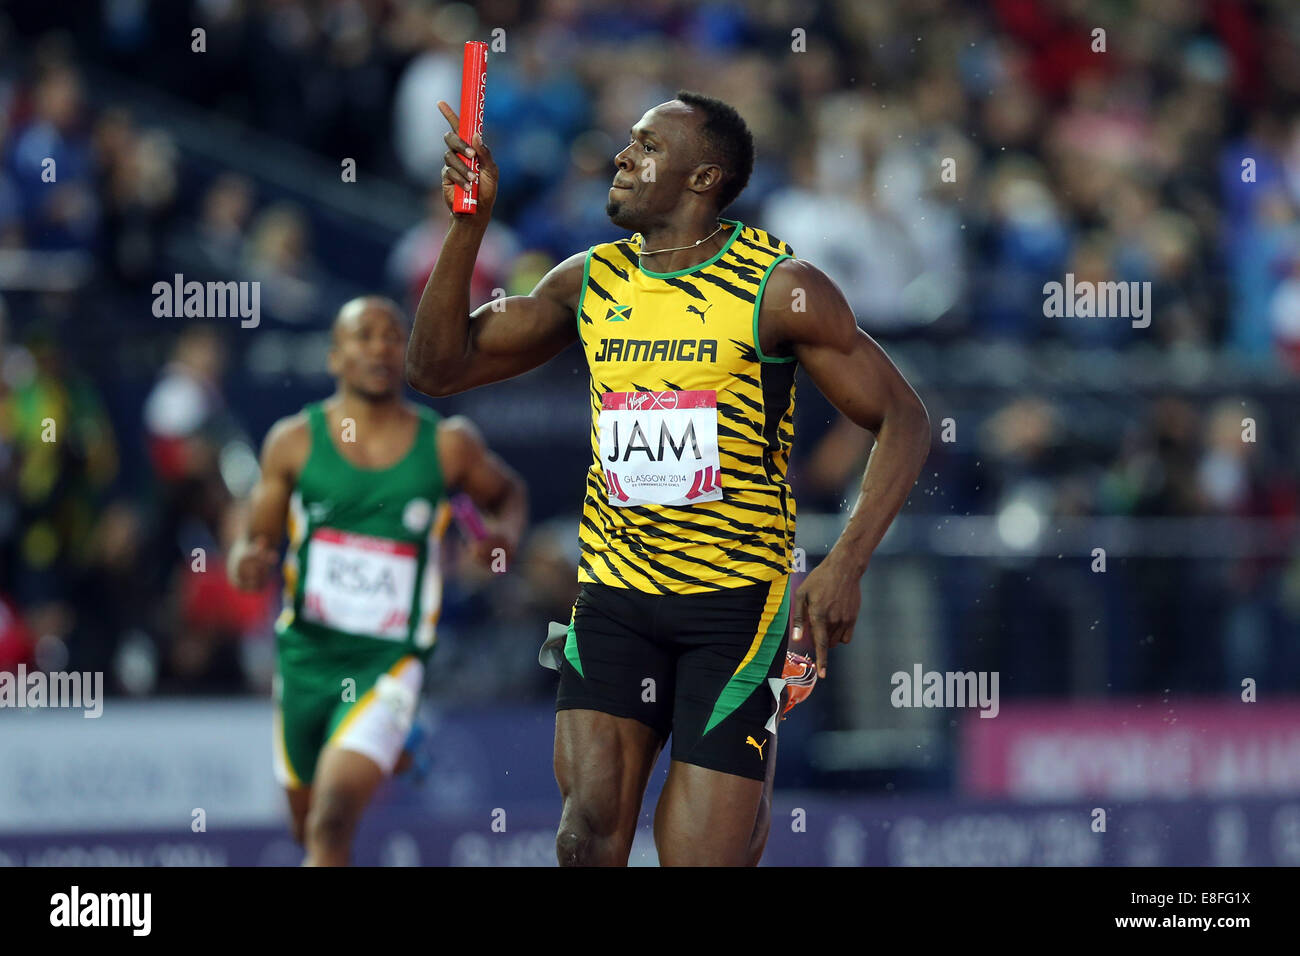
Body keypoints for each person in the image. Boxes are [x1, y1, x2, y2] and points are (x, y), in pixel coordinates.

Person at [408, 91, 930, 866]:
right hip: (614, 597)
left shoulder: (779, 288)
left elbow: (904, 420)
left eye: (647, 145)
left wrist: (845, 563)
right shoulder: (588, 281)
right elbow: (438, 367)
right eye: (628, 141)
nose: (622, 156)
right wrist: (467, 228)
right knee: (586, 838)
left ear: (702, 178)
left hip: (736, 610)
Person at [229, 295, 526, 866]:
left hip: (388, 663)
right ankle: (387, 756)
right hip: (305, 660)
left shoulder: (447, 445)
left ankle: (388, 738)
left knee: (333, 815)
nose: (381, 347)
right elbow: (256, 539)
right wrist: (248, 558)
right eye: (363, 336)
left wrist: (502, 537)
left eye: (393, 335)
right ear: (335, 357)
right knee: (307, 823)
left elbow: (506, 496)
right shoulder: (292, 442)